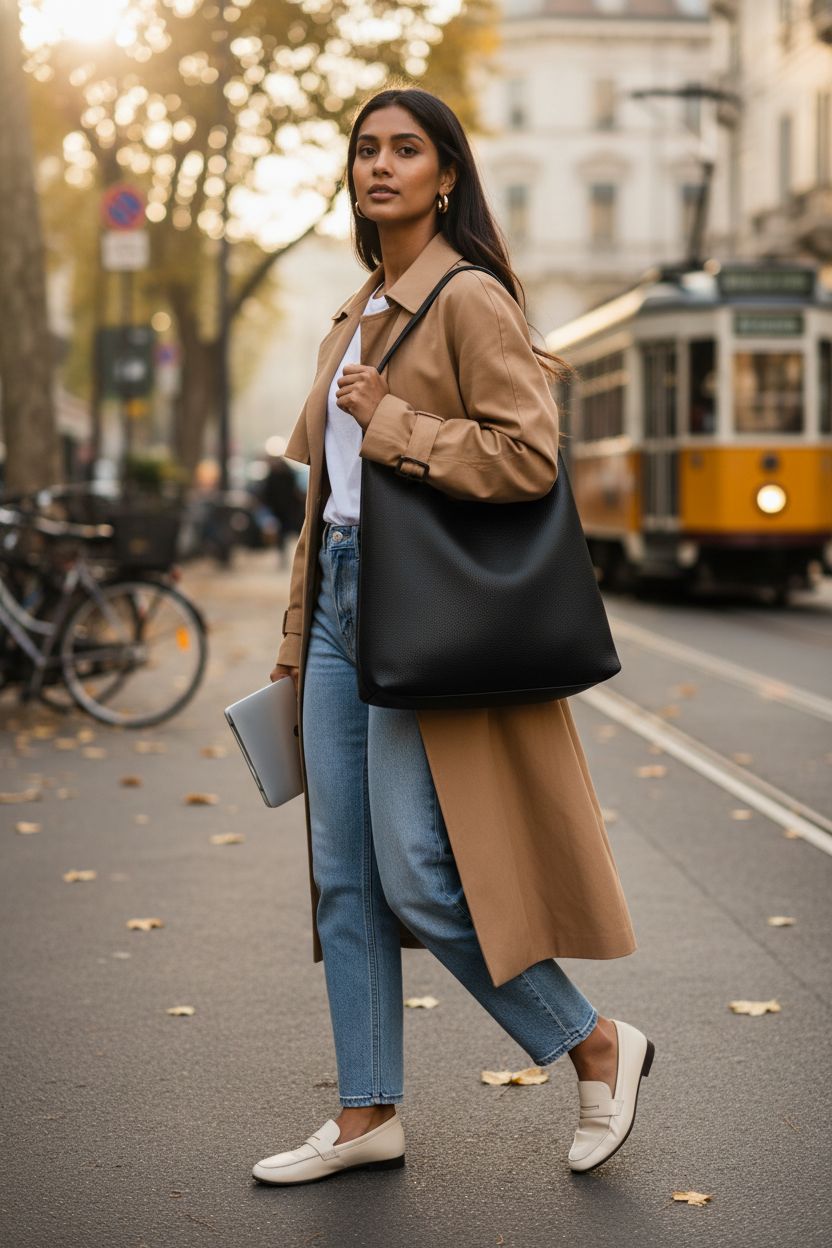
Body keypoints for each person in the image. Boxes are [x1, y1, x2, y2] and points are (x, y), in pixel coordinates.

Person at [254, 87, 653, 1187]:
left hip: (417, 611)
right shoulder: (358, 309)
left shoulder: (467, 300)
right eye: (365, 151)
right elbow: (324, 503)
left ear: (445, 175)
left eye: (404, 150)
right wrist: (294, 643)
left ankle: (594, 1042)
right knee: (341, 880)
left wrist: (394, 422)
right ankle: (365, 1112)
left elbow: (527, 457)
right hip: (338, 607)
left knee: (418, 873)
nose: (379, 165)